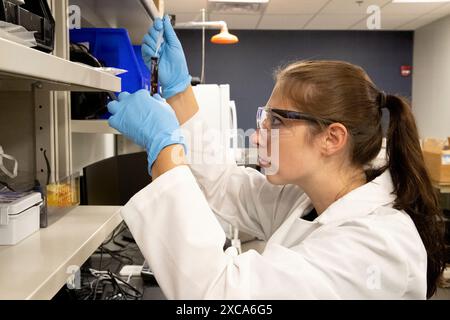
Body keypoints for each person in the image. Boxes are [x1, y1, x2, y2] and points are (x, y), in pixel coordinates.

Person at [107, 16, 446, 299]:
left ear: (332, 138)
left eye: (276, 121)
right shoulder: (310, 199)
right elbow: (226, 186)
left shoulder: (375, 245)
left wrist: (165, 150)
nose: (256, 136)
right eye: (262, 119)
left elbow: (223, 296)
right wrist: (180, 94)